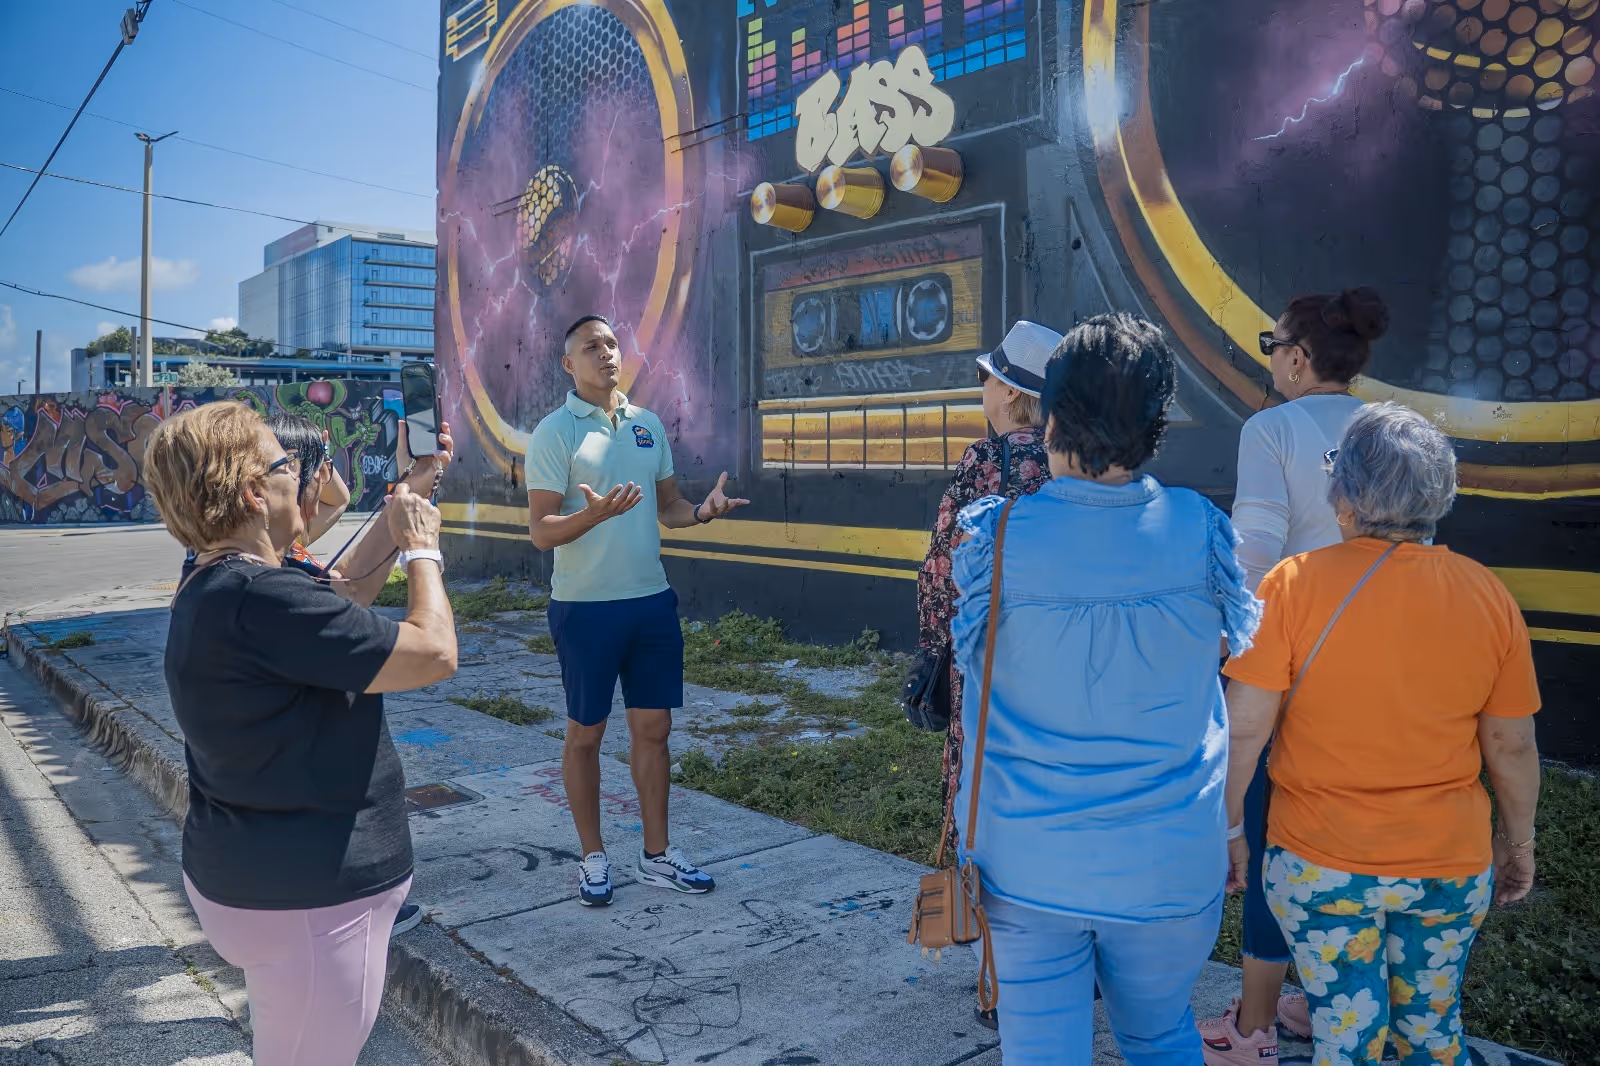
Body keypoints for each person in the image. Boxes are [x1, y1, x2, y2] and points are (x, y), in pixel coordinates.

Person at [949, 313, 1262, 1065]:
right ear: (1157, 424)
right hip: (1169, 859)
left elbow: (971, 668)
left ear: (1050, 414)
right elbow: (1215, 654)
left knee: (1041, 1049)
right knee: (1159, 1038)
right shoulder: (1198, 526)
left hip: (1024, 860)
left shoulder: (997, 538)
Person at [1221, 403, 1541, 1066]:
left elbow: (1246, 727)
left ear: (1343, 496)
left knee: (1348, 1035)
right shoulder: (1487, 595)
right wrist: (1518, 843)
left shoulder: (1290, 586)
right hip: (1447, 866)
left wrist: (1229, 829)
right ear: (1439, 494)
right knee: (1430, 1031)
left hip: (1320, 863)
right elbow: (1510, 746)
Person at [143, 401, 459, 1066]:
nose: (306, 479)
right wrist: (423, 548)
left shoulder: (226, 580)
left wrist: (413, 488)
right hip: (312, 900)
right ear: (257, 492)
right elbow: (433, 653)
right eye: (290, 466)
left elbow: (340, 600)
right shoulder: (265, 598)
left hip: (260, 878)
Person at [1198, 287, 1390, 1061]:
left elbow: (1255, 548)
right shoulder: (1388, 430)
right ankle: (1326, 996)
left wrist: (1222, 641)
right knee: (1353, 834)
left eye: (1272, 344)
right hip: (1383, 666)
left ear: (1301, 357)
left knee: (1274, 842)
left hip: (1293, 665)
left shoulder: (1272, 427)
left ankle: (1253, 1028)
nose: (1270, 356)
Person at [526, 314, 750, 908]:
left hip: (651, 604)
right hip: (584, 609)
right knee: (586, 734)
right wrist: (591, 517)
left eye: (611, 343)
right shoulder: (556, 432)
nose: (605, 353)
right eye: (589, 347)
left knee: (654, 730)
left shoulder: (648, 426)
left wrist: (702, 513)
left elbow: (668, 506)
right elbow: (542, 532)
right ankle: (594, 857)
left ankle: (657, 856)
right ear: (568, 365)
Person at [916, 319, 1056, 1031]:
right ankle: (1070, 962)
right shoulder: (1071, 463)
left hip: (988, 671)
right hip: (1058, 676)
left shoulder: (984, 464)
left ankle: (1000, 982)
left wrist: (932, 652)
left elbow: (943, 572)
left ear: (1007, 391)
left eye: (985, 378)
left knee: (988, 817)